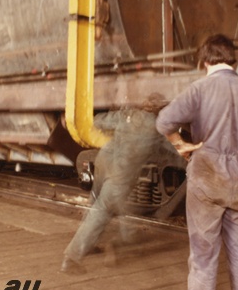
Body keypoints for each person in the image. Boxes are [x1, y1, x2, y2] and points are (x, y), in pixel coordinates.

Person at [156, 34, 238, 290]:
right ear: (232, 59)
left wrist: (180, 144)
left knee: (204, 260)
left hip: (206, 181)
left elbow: (163, 121)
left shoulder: (199, 89)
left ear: (205, 60)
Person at [61, 92, 170, 274]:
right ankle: (72, 258)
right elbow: (170, 150)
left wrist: (70, 122)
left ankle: (90, 242)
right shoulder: (157, 126)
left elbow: (101, 120)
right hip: (120, 172)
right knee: (102, 212)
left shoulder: (128, 114)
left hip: (104, 161)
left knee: (95, 202)